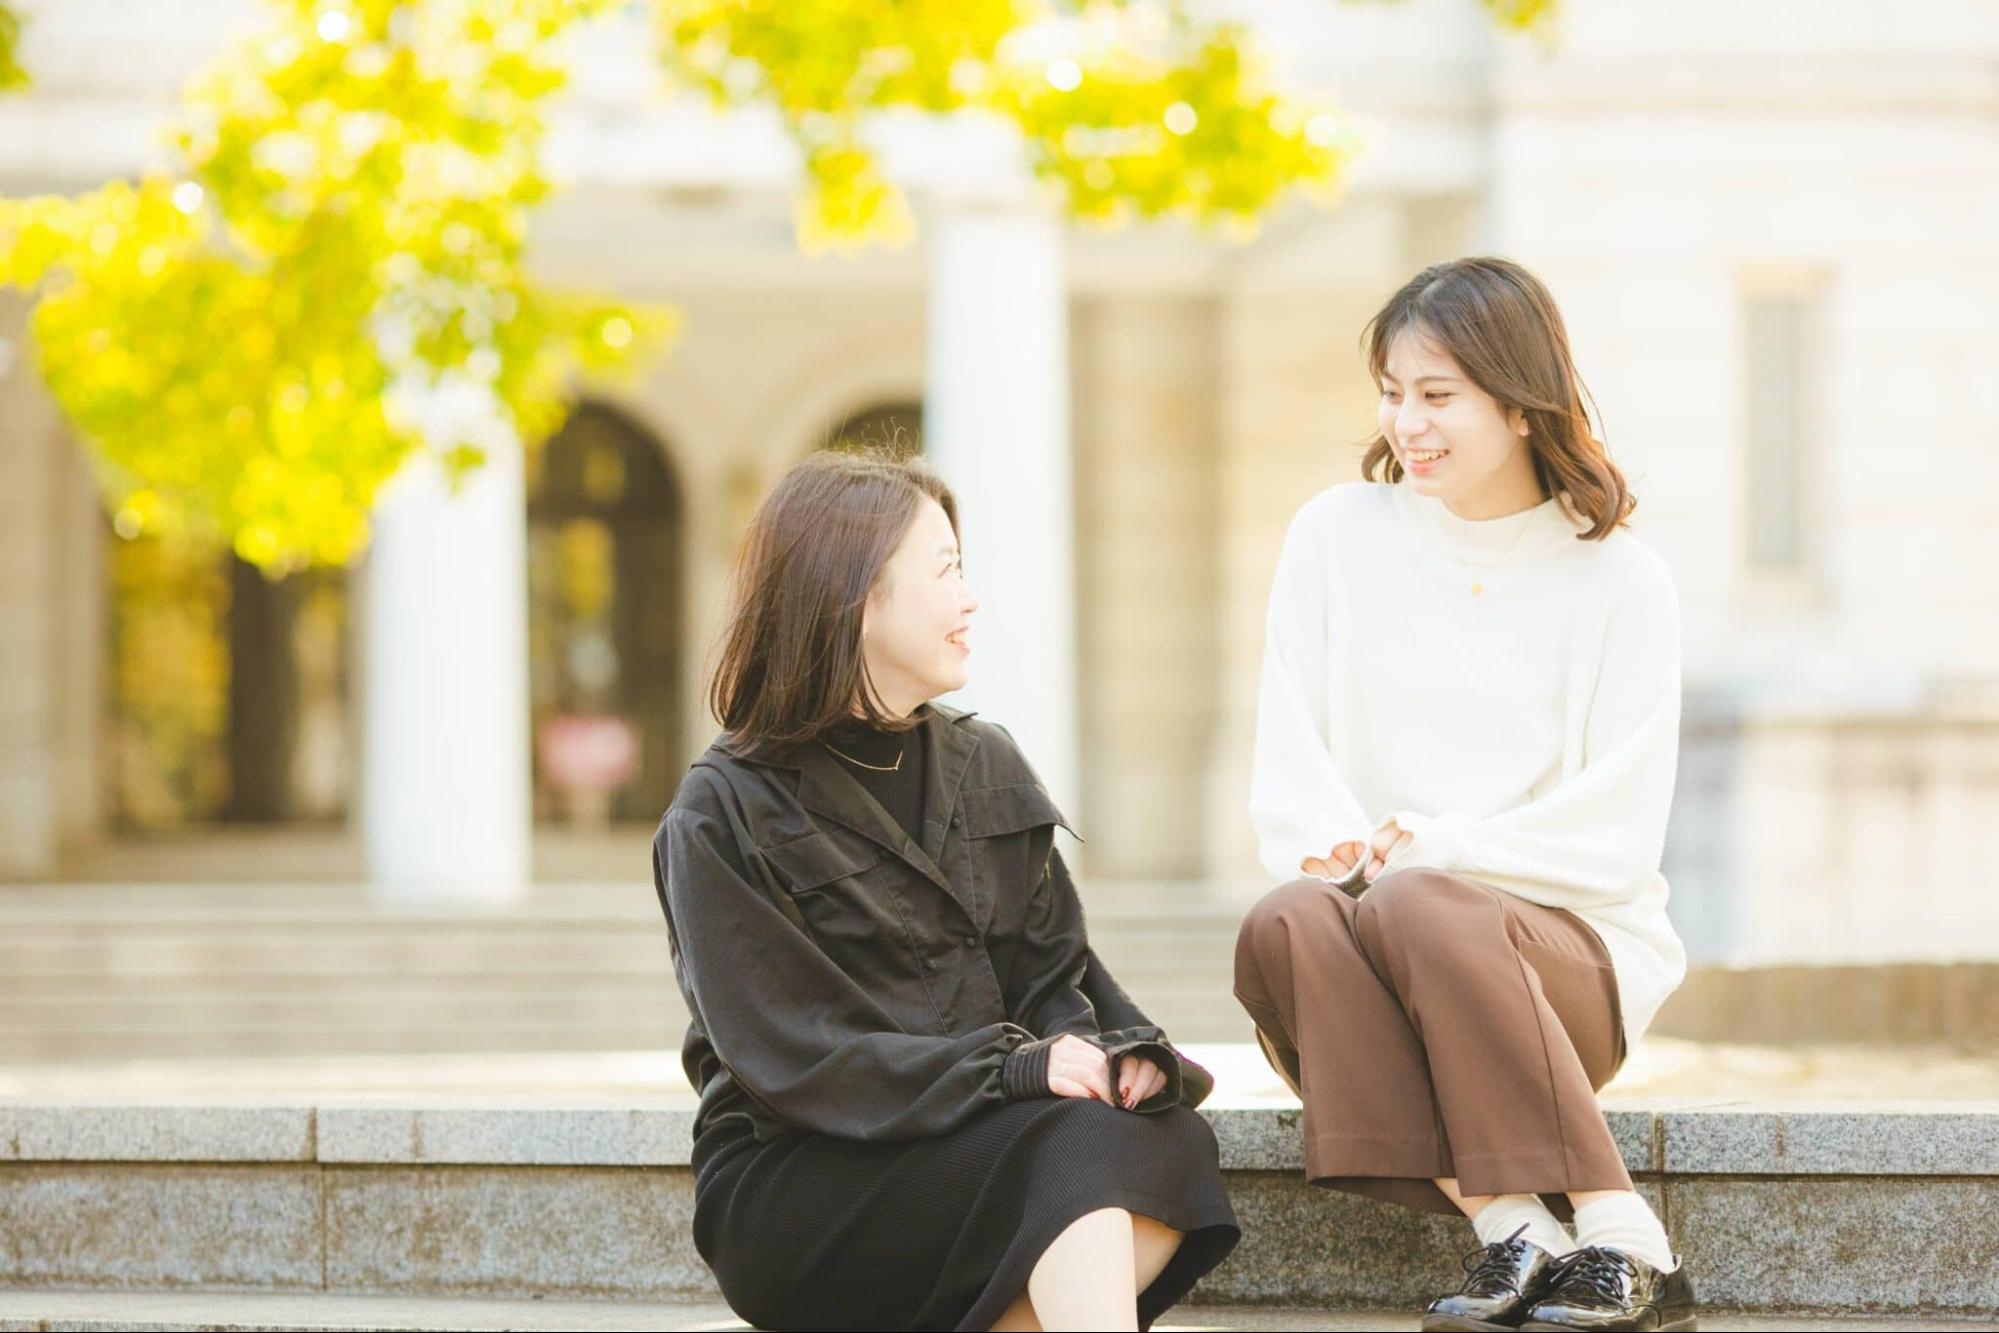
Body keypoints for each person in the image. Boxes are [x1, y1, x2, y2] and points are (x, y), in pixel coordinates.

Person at [654, 449, 1238, 1332]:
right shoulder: (723, 807)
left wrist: (1114, 1053)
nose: (970, 600)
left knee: (1166, 1141)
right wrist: (1009, 1068)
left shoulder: (985, 763)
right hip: (806, 1175)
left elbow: (1052, 973)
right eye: (946, 571)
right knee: (1078, 1152)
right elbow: (793, 1053)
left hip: (982, 1140)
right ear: (853, 591)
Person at [1234, 257, 1699, 1332]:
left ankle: (1623, 1231)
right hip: (1382, 948)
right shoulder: (1335, 535)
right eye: (1391, 392)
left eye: (1436, 395)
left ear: (1519, 398)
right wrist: (1351, 853)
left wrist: (1440, 848)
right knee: (1285, 919)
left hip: (1559, 969)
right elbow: (1292, 764)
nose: (1407, 422)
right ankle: (1513, 1228)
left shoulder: (1618, 578)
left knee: (1419, 898)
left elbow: (1616, 838)